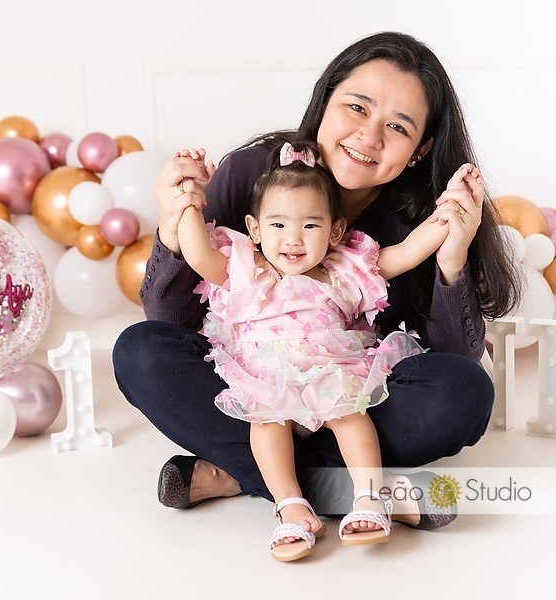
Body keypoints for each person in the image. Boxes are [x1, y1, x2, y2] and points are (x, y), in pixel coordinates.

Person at [113, 31, 520, 537]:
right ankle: (355, 491)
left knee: (463, 393)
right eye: (357, 107)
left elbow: (451, 357)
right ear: (325, 101)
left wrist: (452, 255)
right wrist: (176, 221)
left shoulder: (409, 219)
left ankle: (244, 478)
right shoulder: (255, 175)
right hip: (253, 378)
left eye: (397, 126)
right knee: (140, 352)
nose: (369, 137)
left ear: (421, 149)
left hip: (349, 388)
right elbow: (176, 320)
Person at [173, 141, 469, 560]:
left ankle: (369, 496)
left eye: (310, 226)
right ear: (254, 230)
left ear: (334, 231)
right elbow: (198, 252)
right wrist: (187, 197)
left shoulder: (342, 271)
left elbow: (405, 254)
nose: (293, 239)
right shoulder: (245, 269)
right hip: (267, 378)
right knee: (267, 425)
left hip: (329, 369)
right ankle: (291, 505)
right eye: (277, 226)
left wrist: (449, 212)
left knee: (350, 415)